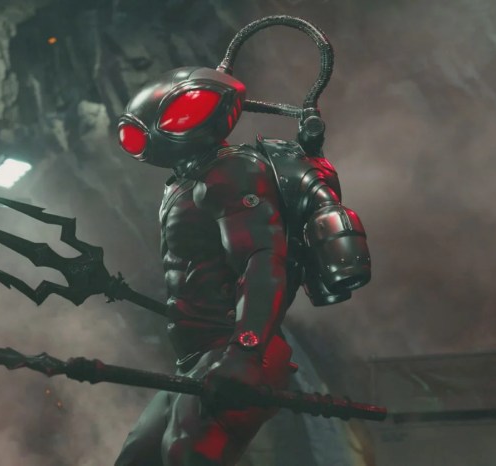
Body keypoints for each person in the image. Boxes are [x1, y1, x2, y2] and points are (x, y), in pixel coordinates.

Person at [112, 64, 371, 466]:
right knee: (138, 459)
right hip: (199, 359)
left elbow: (262, 259)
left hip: (241, 351)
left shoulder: (230, 173)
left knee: (189, 453)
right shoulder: (187, 182)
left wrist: (245, 352)